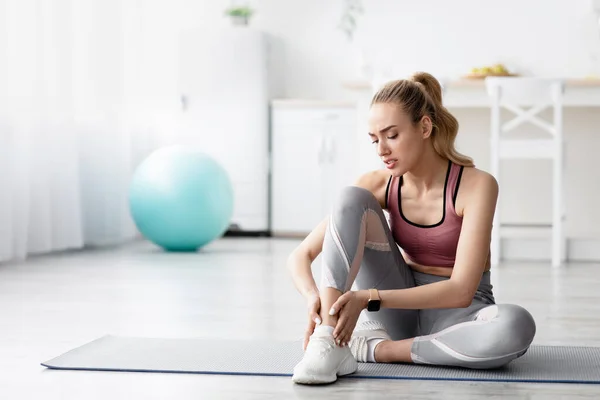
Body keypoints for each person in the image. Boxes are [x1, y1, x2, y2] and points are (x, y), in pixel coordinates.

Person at [287, 72, 537, 385]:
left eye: (391, 135)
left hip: (460, 316)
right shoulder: (379, 184)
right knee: (351, 195)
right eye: (375, 139)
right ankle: (328, 342)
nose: (381, 150)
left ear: (424, 127)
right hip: (398, 312)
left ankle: (380, 350)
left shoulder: (477, 186)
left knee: (516, 325)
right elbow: (299, 256)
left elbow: (461, 291)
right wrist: (316, 300)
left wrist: (368, 298)